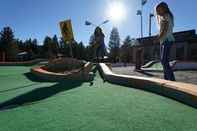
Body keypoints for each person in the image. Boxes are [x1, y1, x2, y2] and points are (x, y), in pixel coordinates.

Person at [155, 2, 175, 81]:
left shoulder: (166, 16)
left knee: (164, 61)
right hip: (163, 41)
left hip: (167, 40)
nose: (157, 12)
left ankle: (172, 80)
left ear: (164, 9)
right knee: (163, 61)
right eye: (156, 11)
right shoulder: (164, 17)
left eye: (158, 10)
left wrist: (158, 37)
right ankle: (166, 79)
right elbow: (162, 29)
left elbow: (165, 29)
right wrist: (159, 37)